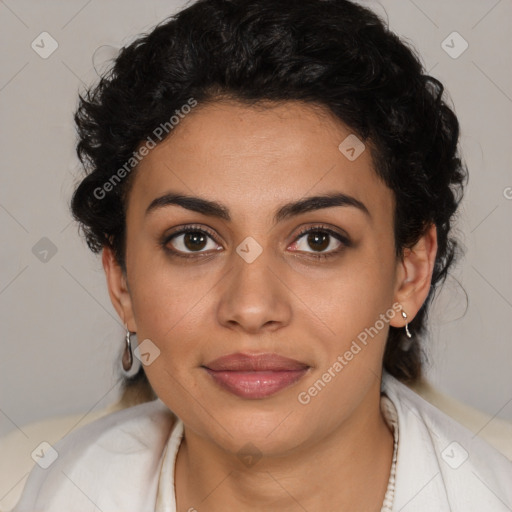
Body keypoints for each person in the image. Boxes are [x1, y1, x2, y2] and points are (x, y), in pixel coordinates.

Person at [12, 0, 512, 510]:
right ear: (122, 281)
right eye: (193, 240)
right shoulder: (55, 490)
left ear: (410, 272)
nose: (251, 308)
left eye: (319, 240)